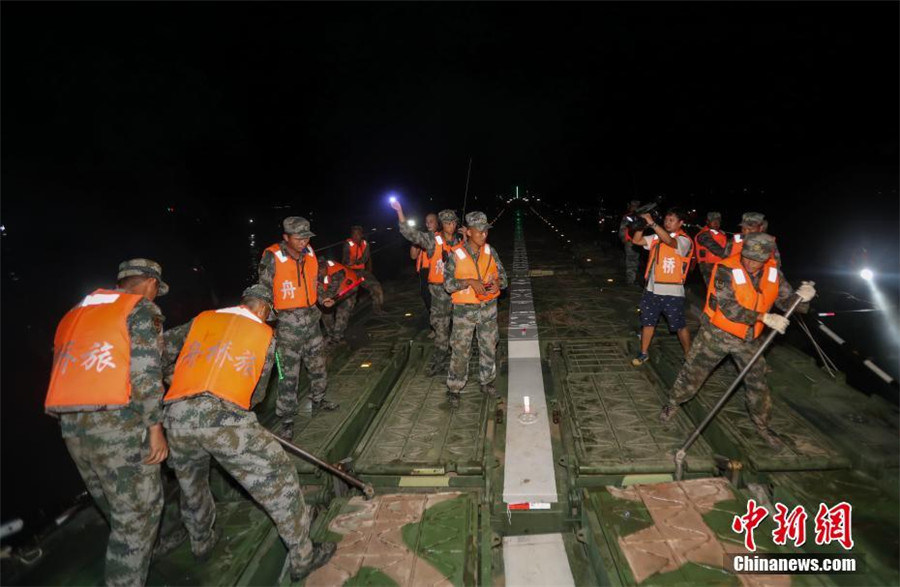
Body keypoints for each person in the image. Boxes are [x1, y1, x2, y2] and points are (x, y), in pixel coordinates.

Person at [161, 284, 336, 582]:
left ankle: (201, 543)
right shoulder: (265, 336)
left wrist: (174, 379)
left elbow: (161, 349)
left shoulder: (203, 319)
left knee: (192, 485)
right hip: (223, 416)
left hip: (176, 415)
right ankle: (303, 556)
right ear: (265, 309)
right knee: (280, 479)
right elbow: (256, 397)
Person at [44, 259, 170, 587]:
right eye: (157, 289)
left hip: (72, 426)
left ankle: (145, 551)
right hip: (117, 424)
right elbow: (145, 373)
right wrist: (155, 427)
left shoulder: (76, 312)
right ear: (150, 283)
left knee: (113, 502)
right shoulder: (139, 309)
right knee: (139, 514)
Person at [659, 234, 816, 449]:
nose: (750, 263)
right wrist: (764, 317)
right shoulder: (726, 269)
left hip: (748, 339)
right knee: (693, 374)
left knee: (758, 383)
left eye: (756, 260)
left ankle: (762, 426)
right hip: (716, 335)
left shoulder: (774, 273)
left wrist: (802, 298)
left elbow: (787, 302)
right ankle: (672, 403)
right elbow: (729, 307)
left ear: (766, 258)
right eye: (747, 257)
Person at [258, 216, 337, 441]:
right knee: (288, 375)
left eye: (306, 238)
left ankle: (319, 399)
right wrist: (270, 323)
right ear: (286, 237)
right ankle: (287, 419)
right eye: (298, 238)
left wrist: (322, 298)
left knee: (318, 364)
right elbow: (263, 292)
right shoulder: (272, 256)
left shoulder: (309, 252)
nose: (303, 242)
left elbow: (313, 283)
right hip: (286, 326)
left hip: (312, 320)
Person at [443, 212, 508, 408]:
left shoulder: (490, 251)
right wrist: (469, 282)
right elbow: (448, 285)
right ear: (469, 232)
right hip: (464, 312)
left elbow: (504, 278)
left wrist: (497, 284)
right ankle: (454, 388)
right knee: (460, 350)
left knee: (488, 346)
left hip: (488, 310)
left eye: (486, 231)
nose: (483, 235)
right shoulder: (456, 254)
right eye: (479, 231)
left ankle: (487, 382)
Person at [392, 202, 462, 375]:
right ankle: (440, 359)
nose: (451, 226)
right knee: (440, 327)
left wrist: (468, 236)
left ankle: (460, 358)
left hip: (459, 292)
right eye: (447, 222)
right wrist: (400, 211)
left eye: (453, 222)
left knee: (461, 326)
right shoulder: (432, 240)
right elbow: (410, 234)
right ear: (442, 224)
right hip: (439, 293)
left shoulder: (460, 241)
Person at [630, 208, 693, 366]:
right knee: (648, 322)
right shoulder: (656, 237)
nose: (667, 223)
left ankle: (689, 355)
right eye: (666, 219)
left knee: (679, 326)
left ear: (681, 223)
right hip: (652, 291)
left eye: (672, 220)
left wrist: (652, 223)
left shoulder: (684, 240)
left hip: (673, 292)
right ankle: (644, 353)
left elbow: (670, 242)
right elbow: (637, 241)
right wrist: (641, 226)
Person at [318, 258, 364, 347]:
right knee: (325, 313)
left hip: (348, 289)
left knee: (343, 311)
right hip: (332, 293)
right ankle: (331, 334)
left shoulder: (337, 272)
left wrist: (324, 300)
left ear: (325, 266)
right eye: (318, 268)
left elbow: (331, 292)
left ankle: (337, 337)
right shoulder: (315, 273)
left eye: (321, 268)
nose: (319, 271)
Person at [342, 225, 385, 314]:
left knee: (376, 287)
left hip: (361, 272)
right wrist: (351, 262)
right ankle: (347, 315)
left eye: (358, 234)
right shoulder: (347, 244)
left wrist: (356, 262)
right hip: (350, 272)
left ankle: (377, 309)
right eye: (353, 234)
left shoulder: (365, 244)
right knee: (350, 295)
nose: (355, 236)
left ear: (361, 235)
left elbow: (365, 258)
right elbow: (346, 259)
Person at [411, 212, 439, 314]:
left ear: (437, 223)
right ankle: (433, 320)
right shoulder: (422, 237)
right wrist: (415, 241)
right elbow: (413, 256)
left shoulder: (443, 237)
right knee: (427, 299)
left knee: (439, 302)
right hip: (424, 272)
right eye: (427, 222)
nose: (428, 224)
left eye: (431, 221)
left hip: (438, 272)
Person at [694, 211, 729, 285]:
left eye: (718, 221)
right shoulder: (703, 235)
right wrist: (732, 257)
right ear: (707, 222)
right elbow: (715, 248)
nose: (716, 223)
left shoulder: (720, 234)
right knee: (714, 288)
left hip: (720, 265)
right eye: (713, 221)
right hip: (709, 267)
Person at [618, 200, 642, 285]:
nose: (634, 208)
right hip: (630, 242)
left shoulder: (641, 216)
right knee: (631, 261)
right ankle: (631, 280)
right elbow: (622, 229)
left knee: (636, 261)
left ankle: (634, 279)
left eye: (636, 206)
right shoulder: (628, 217)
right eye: (633, 206)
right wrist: (624, 239)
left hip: (640, 242)